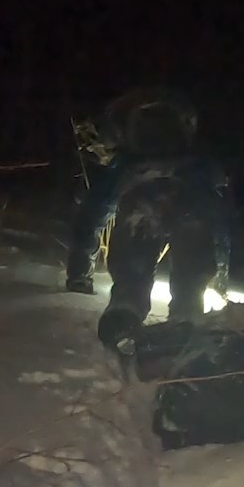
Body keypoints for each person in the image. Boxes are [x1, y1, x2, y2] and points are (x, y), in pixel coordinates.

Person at [66, 88, 232, 355]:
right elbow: (218, 221)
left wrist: (79, 272)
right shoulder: (201, 164)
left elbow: (93, 213)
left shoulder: (126, 163)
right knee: (191, 273)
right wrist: (221, 275)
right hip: (192, 211)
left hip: (141, 209)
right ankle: (186, 318)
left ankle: (125, 314)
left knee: (132, 270)